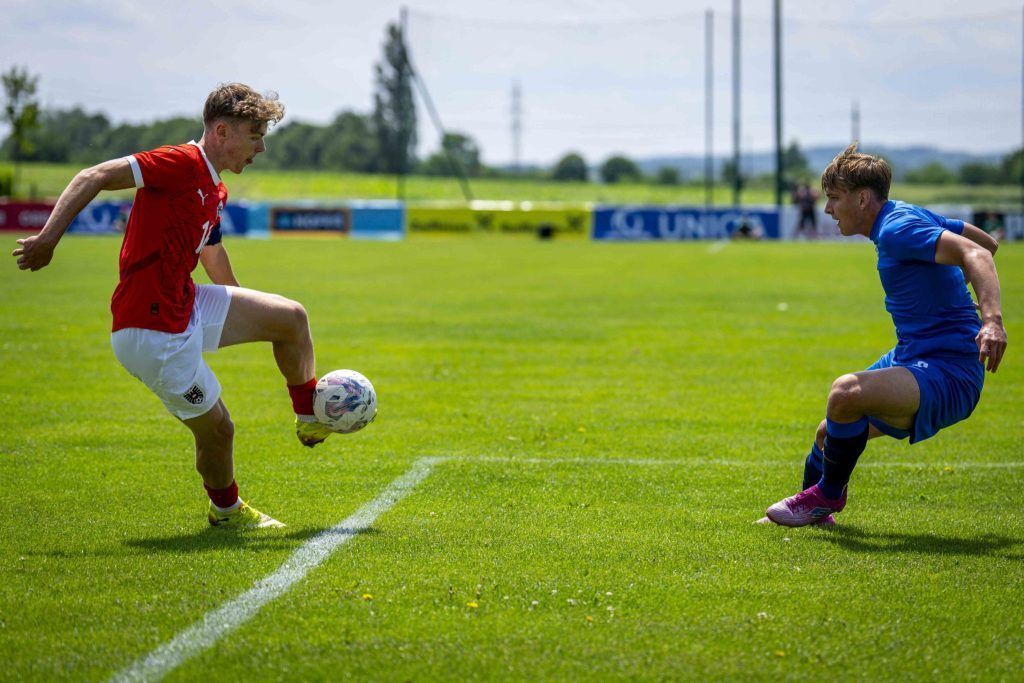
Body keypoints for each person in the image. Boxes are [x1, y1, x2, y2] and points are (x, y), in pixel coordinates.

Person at [12, 83, 336, 529]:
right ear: (222, 131)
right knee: (219, 430)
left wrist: (247, 310)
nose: (261, 147)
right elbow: (93, 176)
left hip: (182, 302)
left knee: (289, 317)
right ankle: (227, 511)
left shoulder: (214, 187)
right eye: (255, 135)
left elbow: (212, 255)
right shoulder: (180, 162)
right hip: (149, 332)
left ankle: (309, 419)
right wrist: (48, 240)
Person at [761, 144, 1007, 527]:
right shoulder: (903, 215)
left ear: (862, 199)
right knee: (830, 432)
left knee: (845, 392)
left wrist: (990, 319)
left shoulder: (897, 229)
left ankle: (826, 497)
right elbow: (986, 242)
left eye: (834, 198)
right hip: (917, 355)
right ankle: (815, 514)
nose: (828, 209)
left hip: (950, 369)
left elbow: (979, 255)